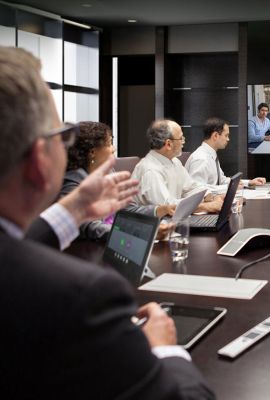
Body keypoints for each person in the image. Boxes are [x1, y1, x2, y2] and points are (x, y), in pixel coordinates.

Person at [0, 47, 213, 399]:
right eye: (62, 135)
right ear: (40, 161)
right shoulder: (83, 297)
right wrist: (163, 349)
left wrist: (74, 210)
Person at [62, 121, 174, 240]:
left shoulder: (109, 172)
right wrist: (144, 232)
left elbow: (127, 209)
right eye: (109, 143)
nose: (113, 149)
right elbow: (91, 227)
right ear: (92, 152)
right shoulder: (71, 182)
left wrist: (160, 209)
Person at [132, 119, 222, 213]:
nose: (184, 141)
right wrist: (206, 206)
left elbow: (190, 188)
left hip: (174, 220)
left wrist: (212, 197)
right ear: (168, 144)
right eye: (181, 138)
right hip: (159, 225)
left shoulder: (174, 161)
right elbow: (167, 207)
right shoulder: (150, 170)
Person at [186, 117, 266, 190]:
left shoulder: (210, 155)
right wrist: (227, 188)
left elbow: (222, 180)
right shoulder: (201, 158)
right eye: (226, 135)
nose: (228, 139)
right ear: (215, 136)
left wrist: (249, 182)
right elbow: (197, 190)